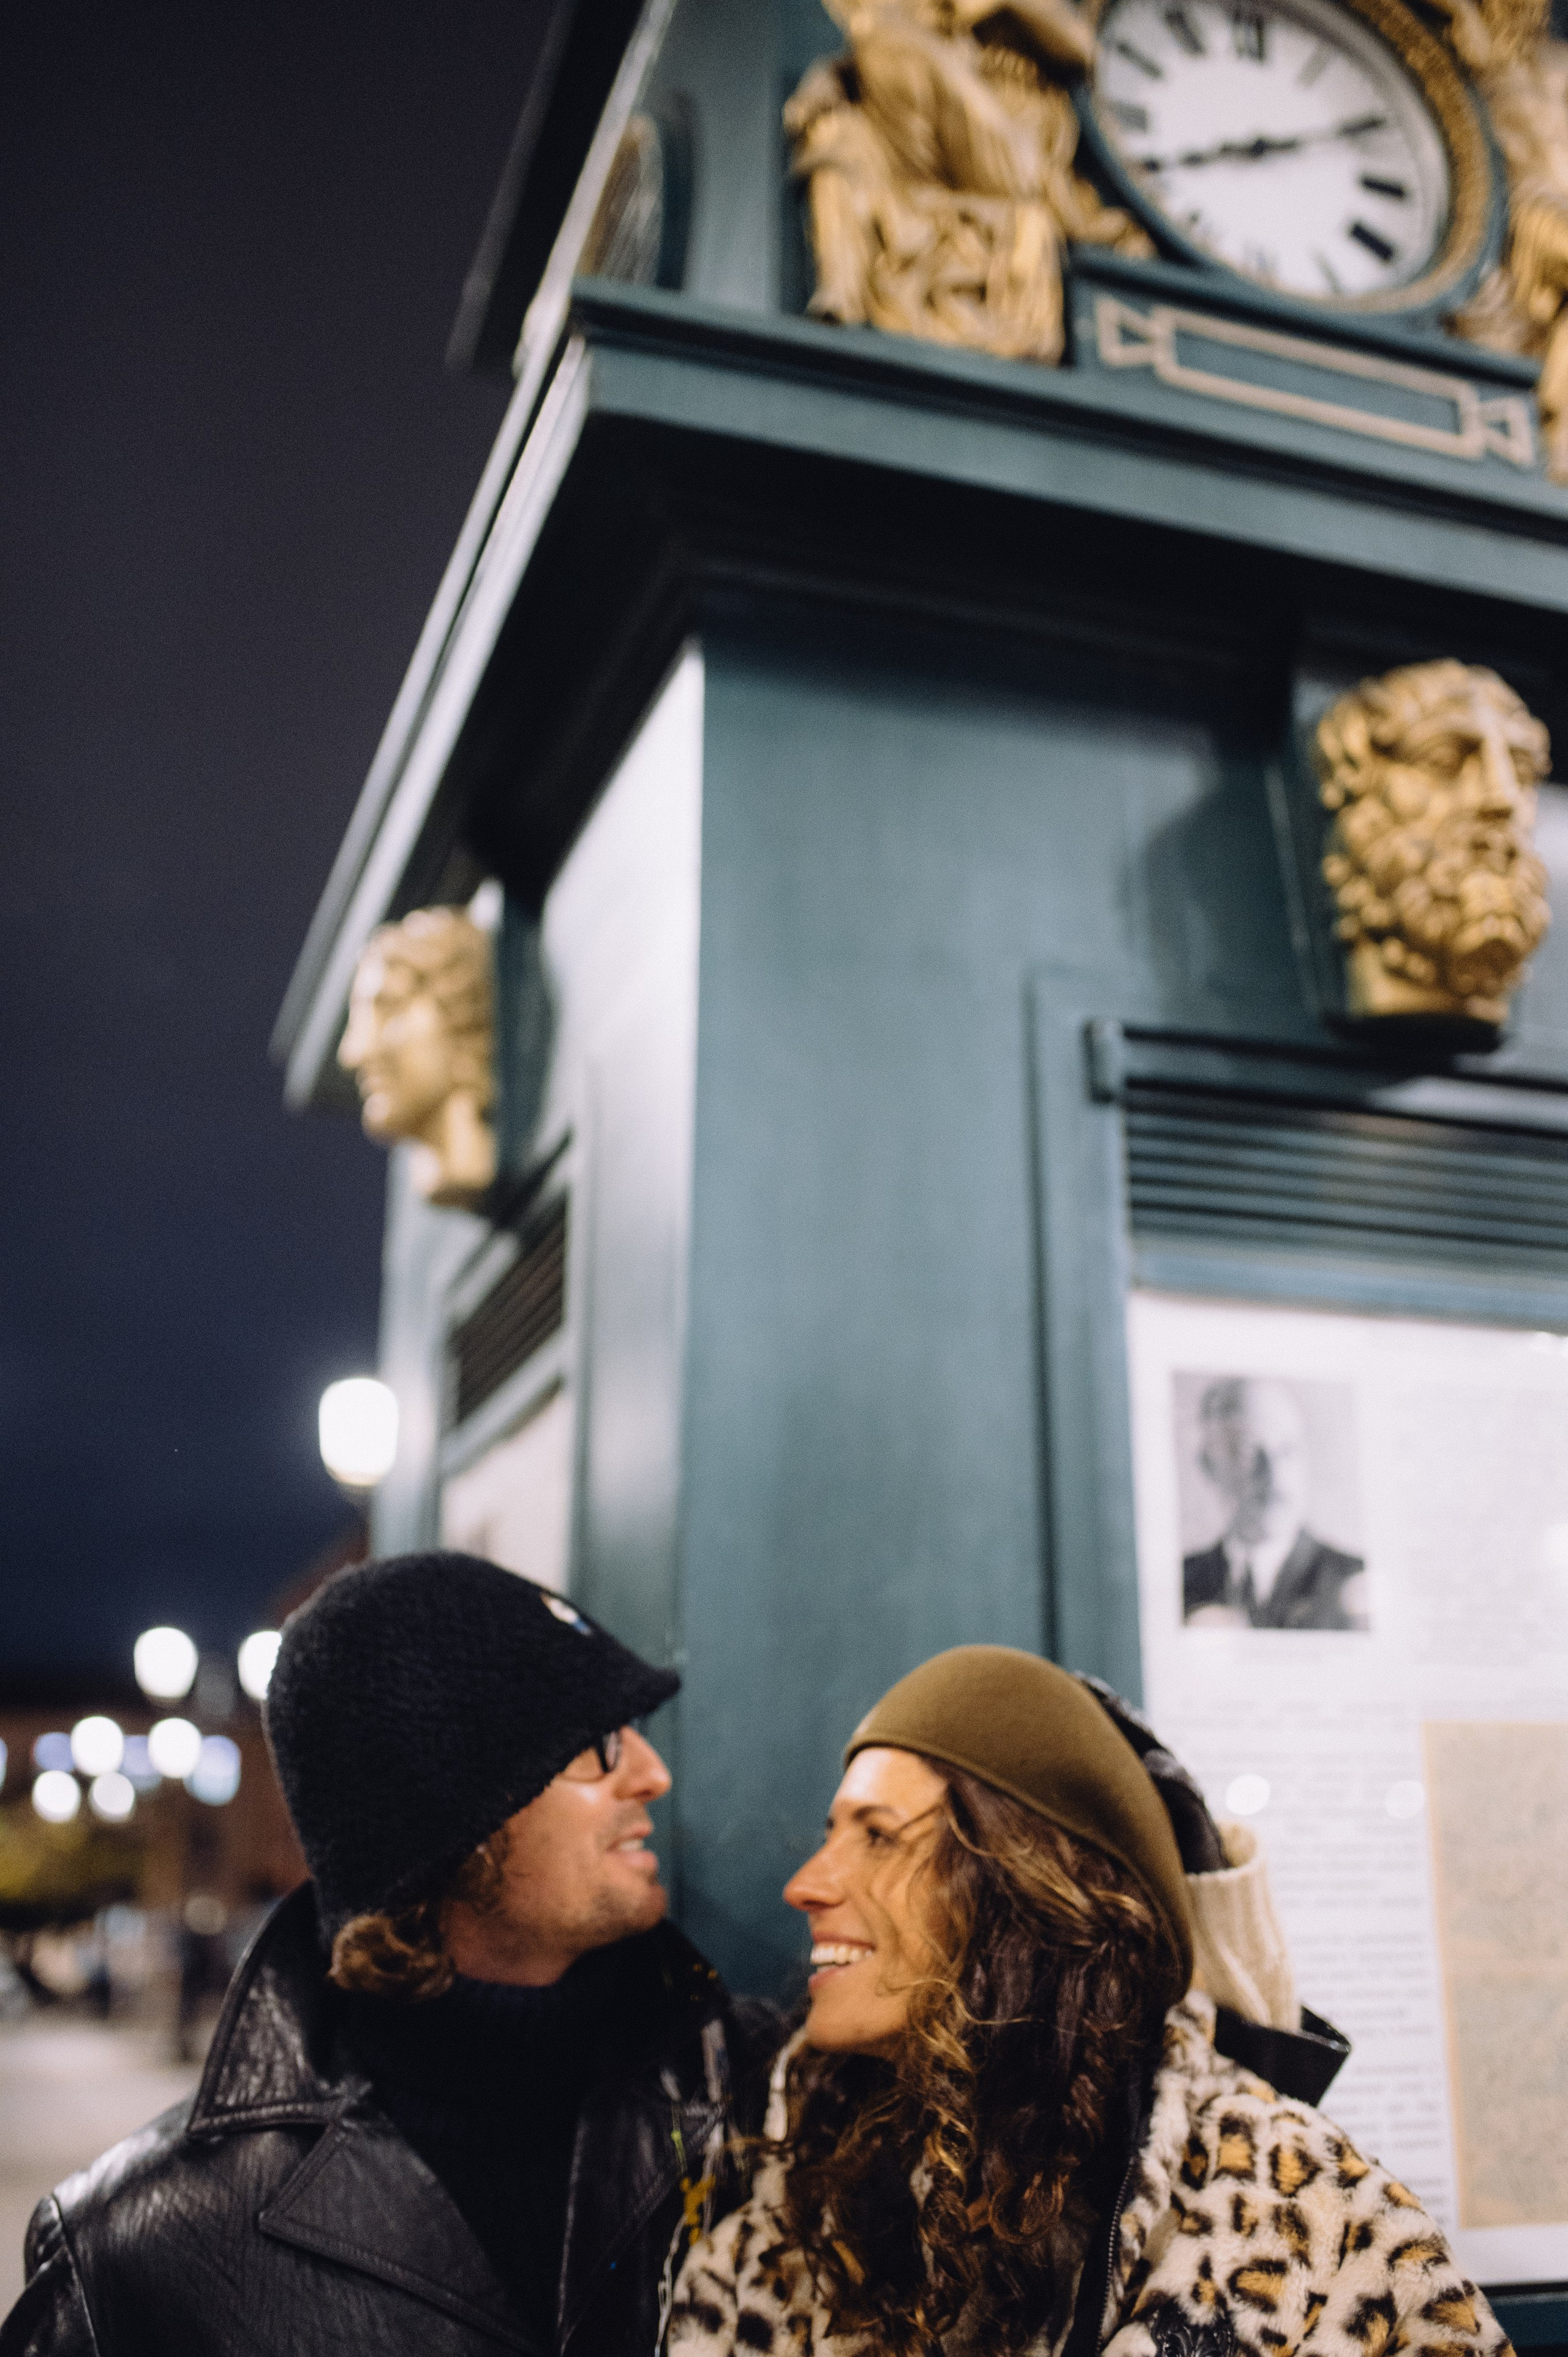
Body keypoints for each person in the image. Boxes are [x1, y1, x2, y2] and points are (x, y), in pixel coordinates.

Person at [1, 1552, 778, 2357]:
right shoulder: (139, 2255)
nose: (652, 1774)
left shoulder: (765, 2102)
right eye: (596, 1745)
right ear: (447, 1814)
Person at [670, 1645, 1507, 2357]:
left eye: (878, 1835)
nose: (805, 1885)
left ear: (1026, 1885)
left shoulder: (1311, 2220)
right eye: (830, 1834)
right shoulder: (802, 2225)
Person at [1182, 1378, 1369, 1631]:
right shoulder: (1180, 1584)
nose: (1274, 1474)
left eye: (1287, 1450)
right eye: (1248, 1453)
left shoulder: (1354, 1579)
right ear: (1209, 1466)